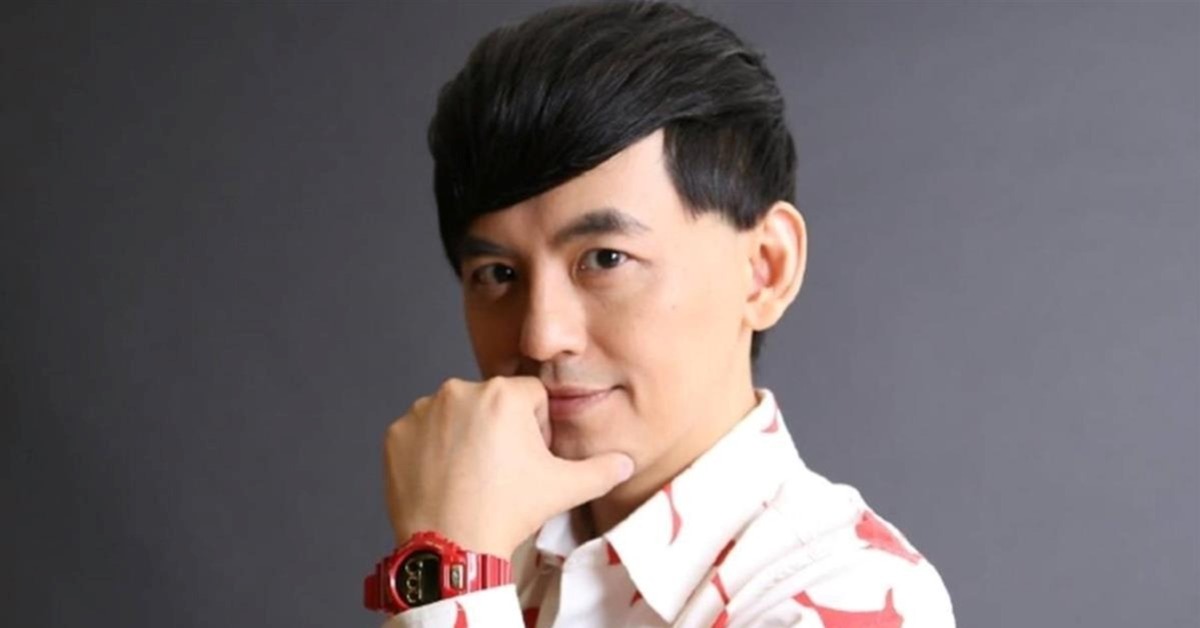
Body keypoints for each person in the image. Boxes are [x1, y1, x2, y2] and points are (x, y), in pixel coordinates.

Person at [364, 1, 955, 626]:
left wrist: (448, 572)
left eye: (605, 258)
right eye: (498, 274)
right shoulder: (489, 538)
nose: (541, 336)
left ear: (765, 268)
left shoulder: (849, 596)